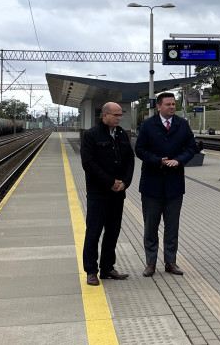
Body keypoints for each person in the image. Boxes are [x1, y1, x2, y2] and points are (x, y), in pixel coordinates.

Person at [136, 92, 199, 277]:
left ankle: (171, 261)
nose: (172, 107)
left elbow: (191, 148)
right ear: (159, 107)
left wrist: (178, 160)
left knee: (172, 226)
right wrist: (158, 161)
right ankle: (150, 262)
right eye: (168, 104)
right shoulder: (148, 125)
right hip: (151, 185)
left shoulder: (182, 125)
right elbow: (139, 149)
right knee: (150, 226)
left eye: (173, 104)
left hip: (174, 185)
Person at [80, 102, 134, 286]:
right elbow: (88, 163)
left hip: (118, 193)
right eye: (116, 115)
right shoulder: (91, 135)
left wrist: (125, 182)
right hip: (98, 193)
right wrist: (110, 182)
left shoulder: (122, 135)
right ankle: (91, 271)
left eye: (120, 115)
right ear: (105, 115)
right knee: (93, 232)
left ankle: (107, 267)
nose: (119, 118)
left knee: (113, 231)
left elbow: (130, 160)